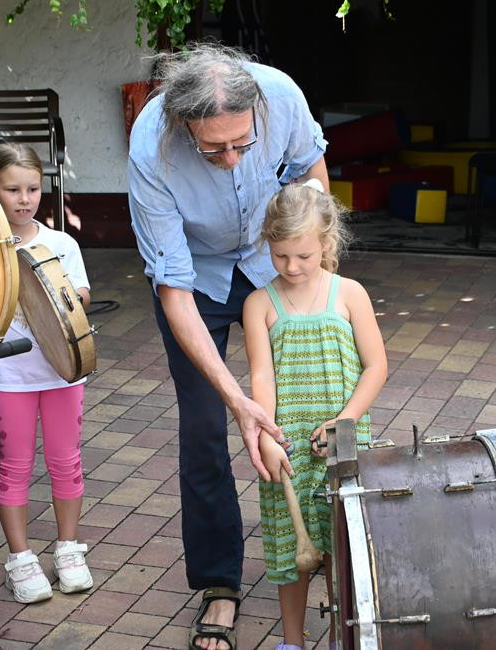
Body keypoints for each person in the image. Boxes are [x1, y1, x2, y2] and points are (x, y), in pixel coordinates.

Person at [127, 43, 329, 650]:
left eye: (243, 144)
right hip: (197, 275)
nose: (233, 158)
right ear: (182, 122)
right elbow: (174, 288)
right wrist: (240, 402)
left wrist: (322, 276)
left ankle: (324, 551)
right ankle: (219, 583)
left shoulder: (282, 96)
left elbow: (313, 187)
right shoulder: (149, 147)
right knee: (206, 428)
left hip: (273, 258)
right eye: (213, 148)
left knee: (310, 402)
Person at [243, 181, 387, 650]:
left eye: (303, 255)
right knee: (292, 548)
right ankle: (291, 642)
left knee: (341, 547)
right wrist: (265, 432)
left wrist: (345, 420)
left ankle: (342, 638)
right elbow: (261, 377)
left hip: (342, 444)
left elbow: (376, 366)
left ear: (326, 242)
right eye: (280, 255)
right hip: (286, 446)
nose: (291, 267)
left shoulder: (350, 294)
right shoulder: (259, 304)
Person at [0, 142, 92, 604]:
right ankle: (21, 559)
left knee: (66, 461)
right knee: (15, 465)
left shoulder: (61, 244)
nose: (24, 199)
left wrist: (60, 299)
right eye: (12, 189)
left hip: (62, 373)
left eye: (33, 189)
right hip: (10, 378)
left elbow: (79, 296)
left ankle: (68, 550)